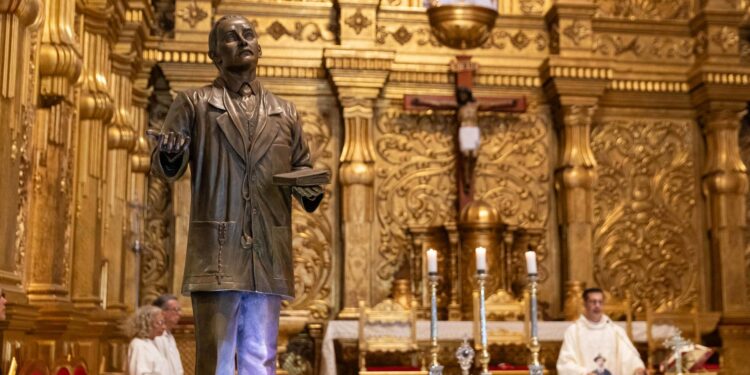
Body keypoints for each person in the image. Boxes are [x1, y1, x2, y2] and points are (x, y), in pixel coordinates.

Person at [150, 14, 323, 375]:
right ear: (214, 53)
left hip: (268, 254)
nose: (243, 41)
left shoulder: (285, 112)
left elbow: (305, 172)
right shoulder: (194, 103)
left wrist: (310, 187)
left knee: (262, 361)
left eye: (249, 35)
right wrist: (169, 152)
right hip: (217, 251)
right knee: (215, 362)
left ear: (259, 47)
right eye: (231, 37)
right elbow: (168, 166)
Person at [557, 288, 647, 375]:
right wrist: (584, 373)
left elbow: (628, 356)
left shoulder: (615, 331)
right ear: (585, 304)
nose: (597, 305)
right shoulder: (573, 332)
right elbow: (565, 363)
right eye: (593, 302)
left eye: (600, 302)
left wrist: (637, 368)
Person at [126, 305, 171, 375]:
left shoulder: (150, 343)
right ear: (147, 323)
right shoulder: (139, 344)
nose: (164, 327)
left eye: (164, 322)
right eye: (160, 322)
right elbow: (140, 372)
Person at [152, 294, 183, 375]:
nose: (180, 314)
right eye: (175, 310)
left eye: (179, 310)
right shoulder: (155, 337)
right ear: (162, 312)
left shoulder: (170, 336)